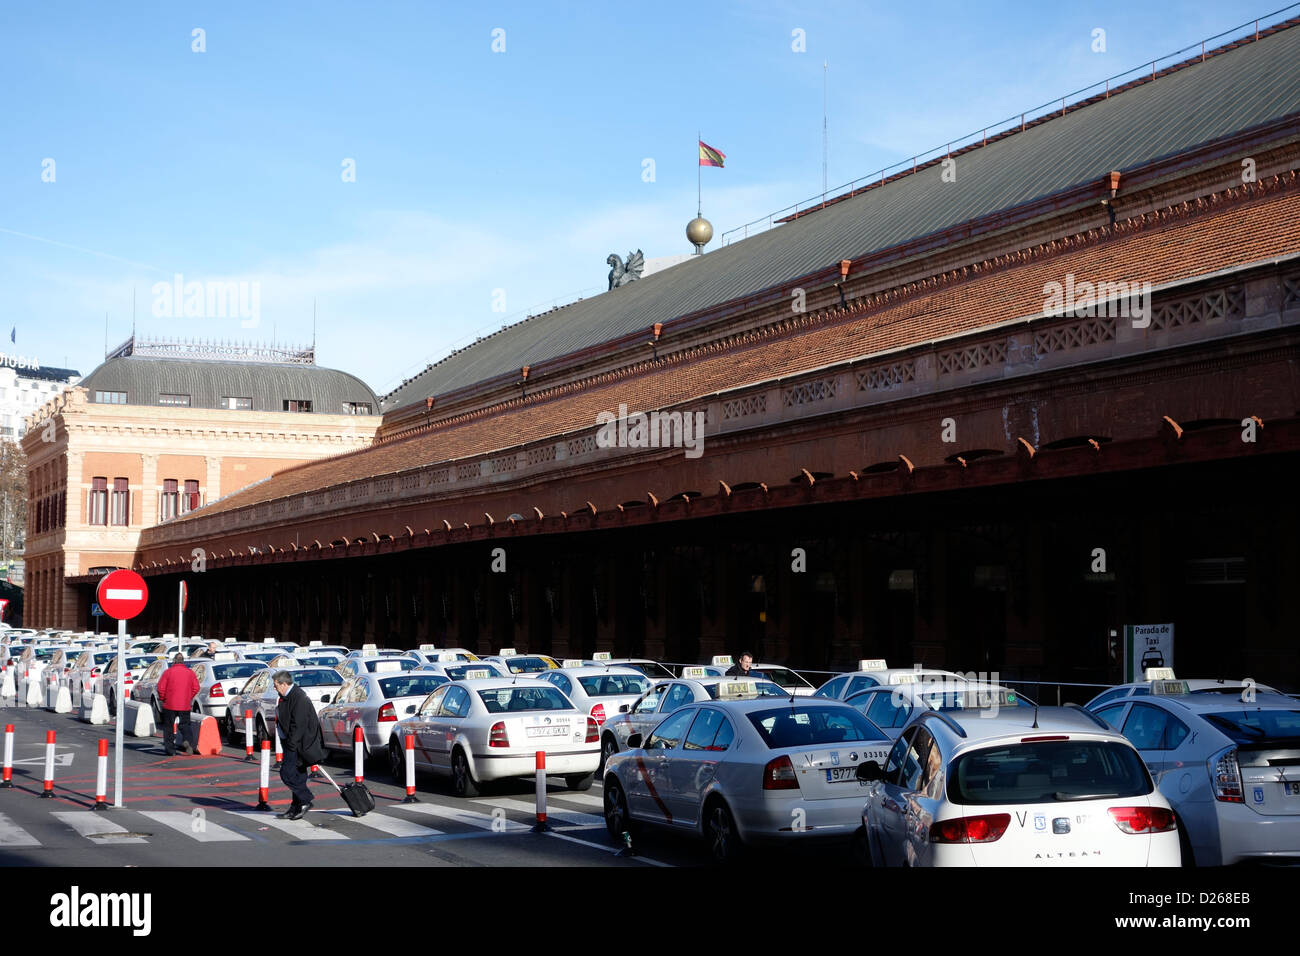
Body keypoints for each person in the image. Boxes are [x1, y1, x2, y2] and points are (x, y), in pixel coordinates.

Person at [273, 670, 328, 820]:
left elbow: (299, 724)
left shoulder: (299, 697)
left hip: (298, 744)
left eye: (276, 685)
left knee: (287, 773)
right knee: (298, 775)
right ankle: (295, 806)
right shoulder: (287, 696)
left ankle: (305, 799)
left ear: (284, 684)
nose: (275, 688)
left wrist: (291, 744)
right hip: (292, 742)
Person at [156, 653, 200, 756]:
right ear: (183, 661)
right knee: (185, 724)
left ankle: (170, 749)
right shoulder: (190, 673)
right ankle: (187, 740)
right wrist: (188, 697)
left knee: (168, 727)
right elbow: (196, 687)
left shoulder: (168, 672)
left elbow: (161, 688)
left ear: (174, 661)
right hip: (184, 704)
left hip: (169, 704)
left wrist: (163, 698)